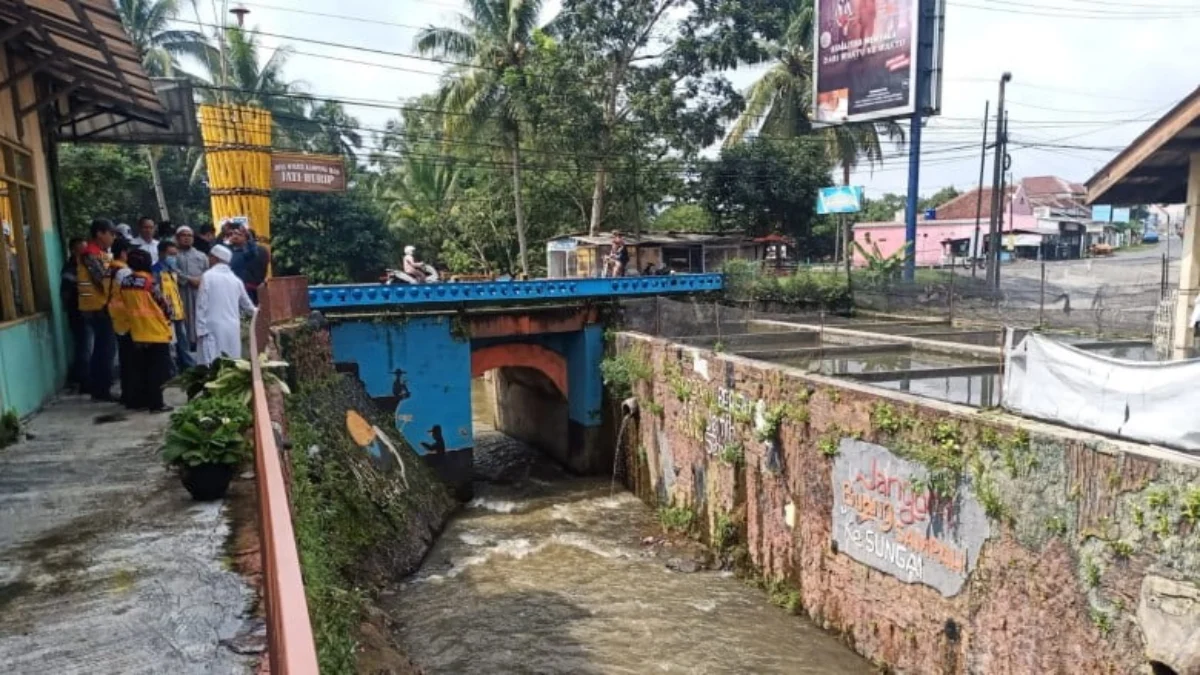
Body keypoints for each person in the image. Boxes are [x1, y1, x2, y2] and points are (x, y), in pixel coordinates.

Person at [121, 249, 174, 413]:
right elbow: (163, 305)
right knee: (158, 371)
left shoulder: (125, 282)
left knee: (141, 369)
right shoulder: (149, 282)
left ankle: (141, 401)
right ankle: (157, 404)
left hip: (137, 331)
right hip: (156, 331)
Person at [77, 219, 118, 401]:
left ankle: (101, 387)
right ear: (100, 233)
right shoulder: (91, 254)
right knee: (105, 349)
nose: (113, 237)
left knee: (104, 348)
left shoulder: (101, 253)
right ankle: (101, 389)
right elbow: (102, 278)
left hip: (101, 306)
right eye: (111, 233)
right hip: (97, 307)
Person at [196, 244, 256, 366]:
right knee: (231, 363)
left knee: (212, 364)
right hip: (233, 328)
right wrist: (260, 312)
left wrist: (200, 329)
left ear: (215, 258)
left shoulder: (208, 276)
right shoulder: (236, 280)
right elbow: (249, 307)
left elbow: (202, 304)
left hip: (211, 328)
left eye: (210, 257)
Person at [106, 238, 136, 408]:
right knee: (129, 359)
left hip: (117, 317)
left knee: (126, 358)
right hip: (125, 319)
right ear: (124, 252)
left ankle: (128, 393)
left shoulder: (112, 267)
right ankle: (130, 395)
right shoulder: (123, 271)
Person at [154, 240, 192, 374]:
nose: (173, 258)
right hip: (165, 313)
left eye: (175, 255)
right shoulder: (156, 271)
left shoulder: (173, 270)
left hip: (178, 312)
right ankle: (172, 372)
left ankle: (188, 368)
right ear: (162, 253)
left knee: (183, 342)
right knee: (170, 345)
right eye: (171, 255)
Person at [173, 225, 208, 352]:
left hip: (198, 293)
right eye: (184, 235)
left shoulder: (201, 255)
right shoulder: (173, 255)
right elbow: (172, 271)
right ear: (177, 238)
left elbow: (207, 272)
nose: (187, 238)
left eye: (189, 235)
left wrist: (201, 280)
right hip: (180, 293)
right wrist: (188, 279)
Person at [61, 237, 86, 393]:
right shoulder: (69, 269)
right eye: (81, 250)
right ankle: (82, 381)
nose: (84, 253)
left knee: (85, 346)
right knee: (84, 346)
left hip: (86, 311)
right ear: (73, 250)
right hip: (77, 312)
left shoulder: (83, 266)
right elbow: (67, 293)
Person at [224, 223, 267, 302]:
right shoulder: (227, 251)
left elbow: (253, 252)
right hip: (229, 289)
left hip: (246, 288)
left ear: (245, 238)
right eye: (232, 234)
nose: (235, 236)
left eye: (239, 234)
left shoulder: (246, 254)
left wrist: (249, 237)